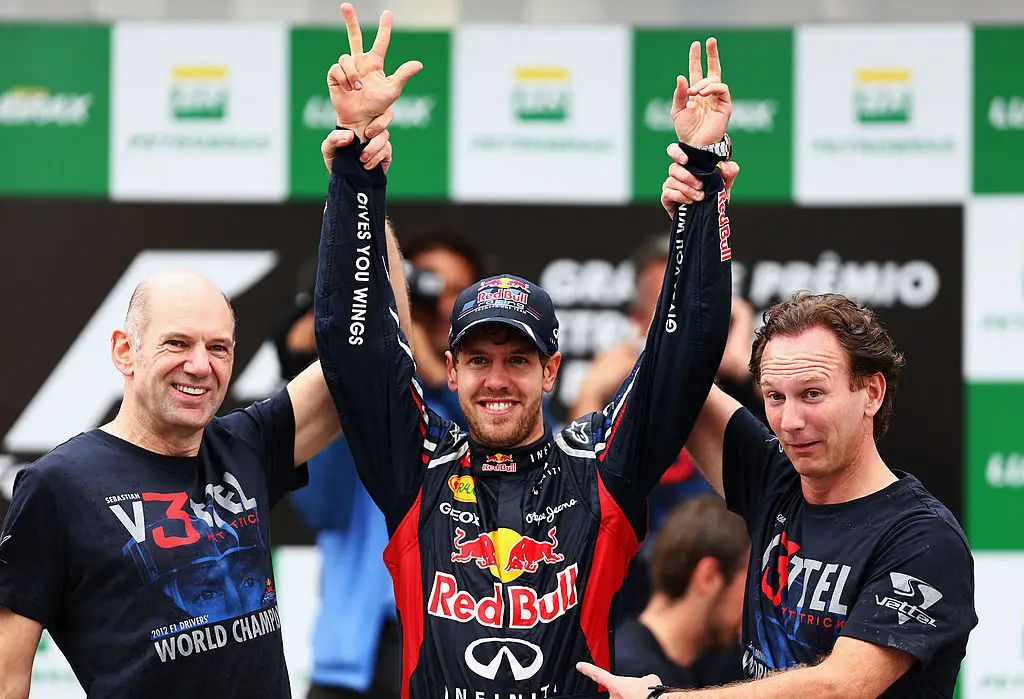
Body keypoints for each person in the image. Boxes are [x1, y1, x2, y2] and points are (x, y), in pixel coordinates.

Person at [312, 5, 738, 698]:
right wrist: (356, 162)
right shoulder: (416, 466)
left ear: (551, 369)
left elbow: (683, 354)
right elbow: (349, 342)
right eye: (478, 359)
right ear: (450, 370)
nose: (497, 379)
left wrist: (703, 175)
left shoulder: (602, 468)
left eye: (518, 359)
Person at [0, 46, 404, 697]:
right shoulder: (58, 484)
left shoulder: (244, 444)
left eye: (219, 347)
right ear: (124, 351)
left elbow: (377, 358)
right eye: (177, 343)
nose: (200, 364)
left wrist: (360, 183)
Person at [576, 49, 978, 694]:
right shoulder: (777, 479)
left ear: (871, 391)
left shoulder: (922, 537)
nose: (790, 422)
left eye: (813, 393)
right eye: (773, 396)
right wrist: (698, 207)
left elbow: (839, 687)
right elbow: (674, 373)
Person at [615, 495, 748, 690]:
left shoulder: (683, 669)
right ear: (708, 577)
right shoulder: (631, 678)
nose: (754, 601)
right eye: (749, 581)